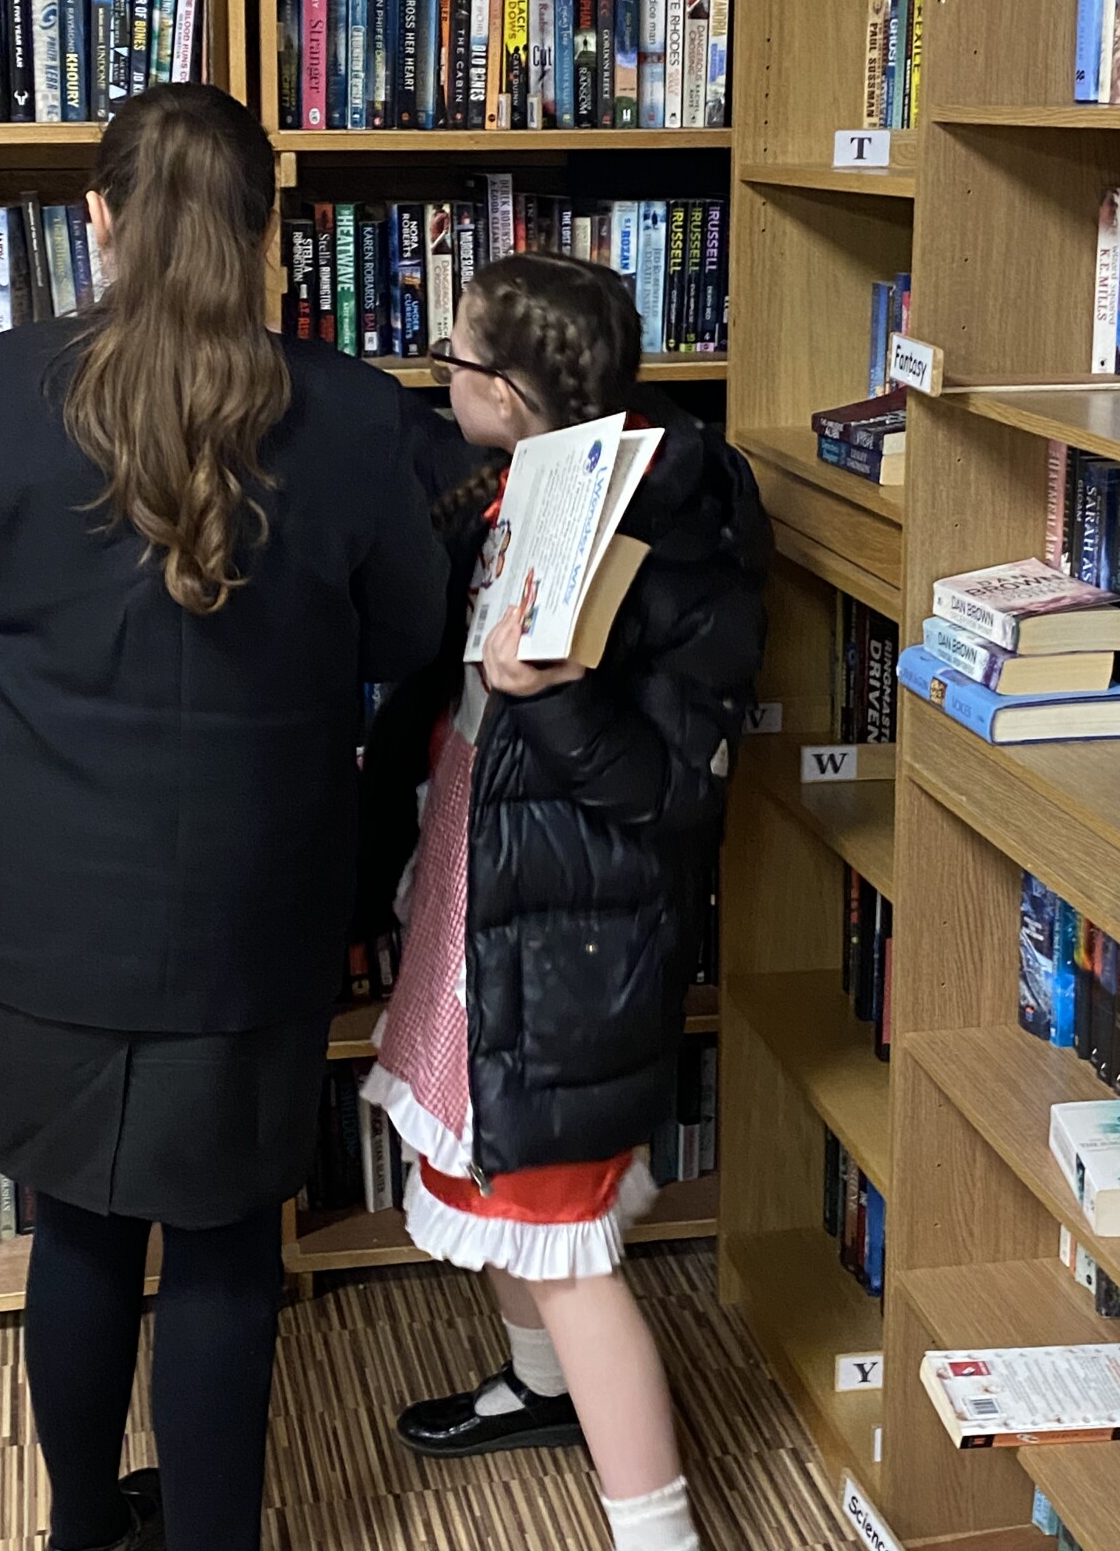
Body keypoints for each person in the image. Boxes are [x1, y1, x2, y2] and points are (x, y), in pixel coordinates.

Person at [0, 85, 449, 1551]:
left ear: (97, 220)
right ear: (267, 231)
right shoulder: (360, 413)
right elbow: (404, 635)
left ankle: (81, 1531)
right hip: (252, 910)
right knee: (228, 1248)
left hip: (32, 909)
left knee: (82, 1229)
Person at [357, 254, 770, 1551]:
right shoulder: (519, 480)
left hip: (572, 935)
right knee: (497, 1184)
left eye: (457, 358)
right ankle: (541, 1395)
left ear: (514, 392)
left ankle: (659, 1532)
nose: (440, 374)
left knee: (566, 1238)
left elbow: (674, 792)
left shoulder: (670, 533)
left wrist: (558, 698)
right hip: (489, 901)